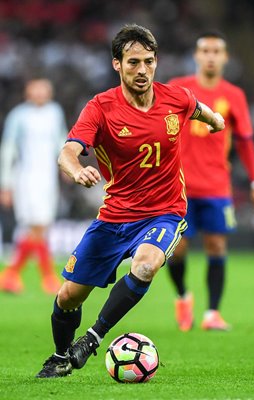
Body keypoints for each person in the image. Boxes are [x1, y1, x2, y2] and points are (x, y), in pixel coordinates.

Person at [35, 24, 225, 379]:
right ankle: (61, 355)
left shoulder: (175, 98)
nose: (142, 70)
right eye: (133, 62)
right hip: (114, 217)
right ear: (116, 65)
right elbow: (67, 152)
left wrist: (215, 120)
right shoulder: (101, 107)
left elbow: (199, 109)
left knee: (146, 265)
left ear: (156, 63)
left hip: (165, 212)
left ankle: (92, 339)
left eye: (149, 62)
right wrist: (77, 171)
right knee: (68, 297)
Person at [166, 31, 254, 332]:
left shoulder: (233, 94)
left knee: (216, 245)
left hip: (216, 185)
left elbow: (246, 141)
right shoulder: (178, 88)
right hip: (179, 185)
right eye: (205, 50)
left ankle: (212, 313)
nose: (210, 56)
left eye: (216, 51)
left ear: (225, 58)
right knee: (178, 248)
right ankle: (183, 297)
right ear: (196, 56)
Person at [0, 78, 68, 294]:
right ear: (28, 92)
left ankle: (11, 274)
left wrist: (68, 167)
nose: (40, 93)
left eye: (44, 90)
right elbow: (8, 150)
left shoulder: (55, 112)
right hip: (26, 177)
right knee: (38, 227)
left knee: (40, 228)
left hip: (48, 177)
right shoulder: (19, 115)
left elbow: (62, 141)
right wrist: (6, 184)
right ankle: (47, 277)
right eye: (36, 90)